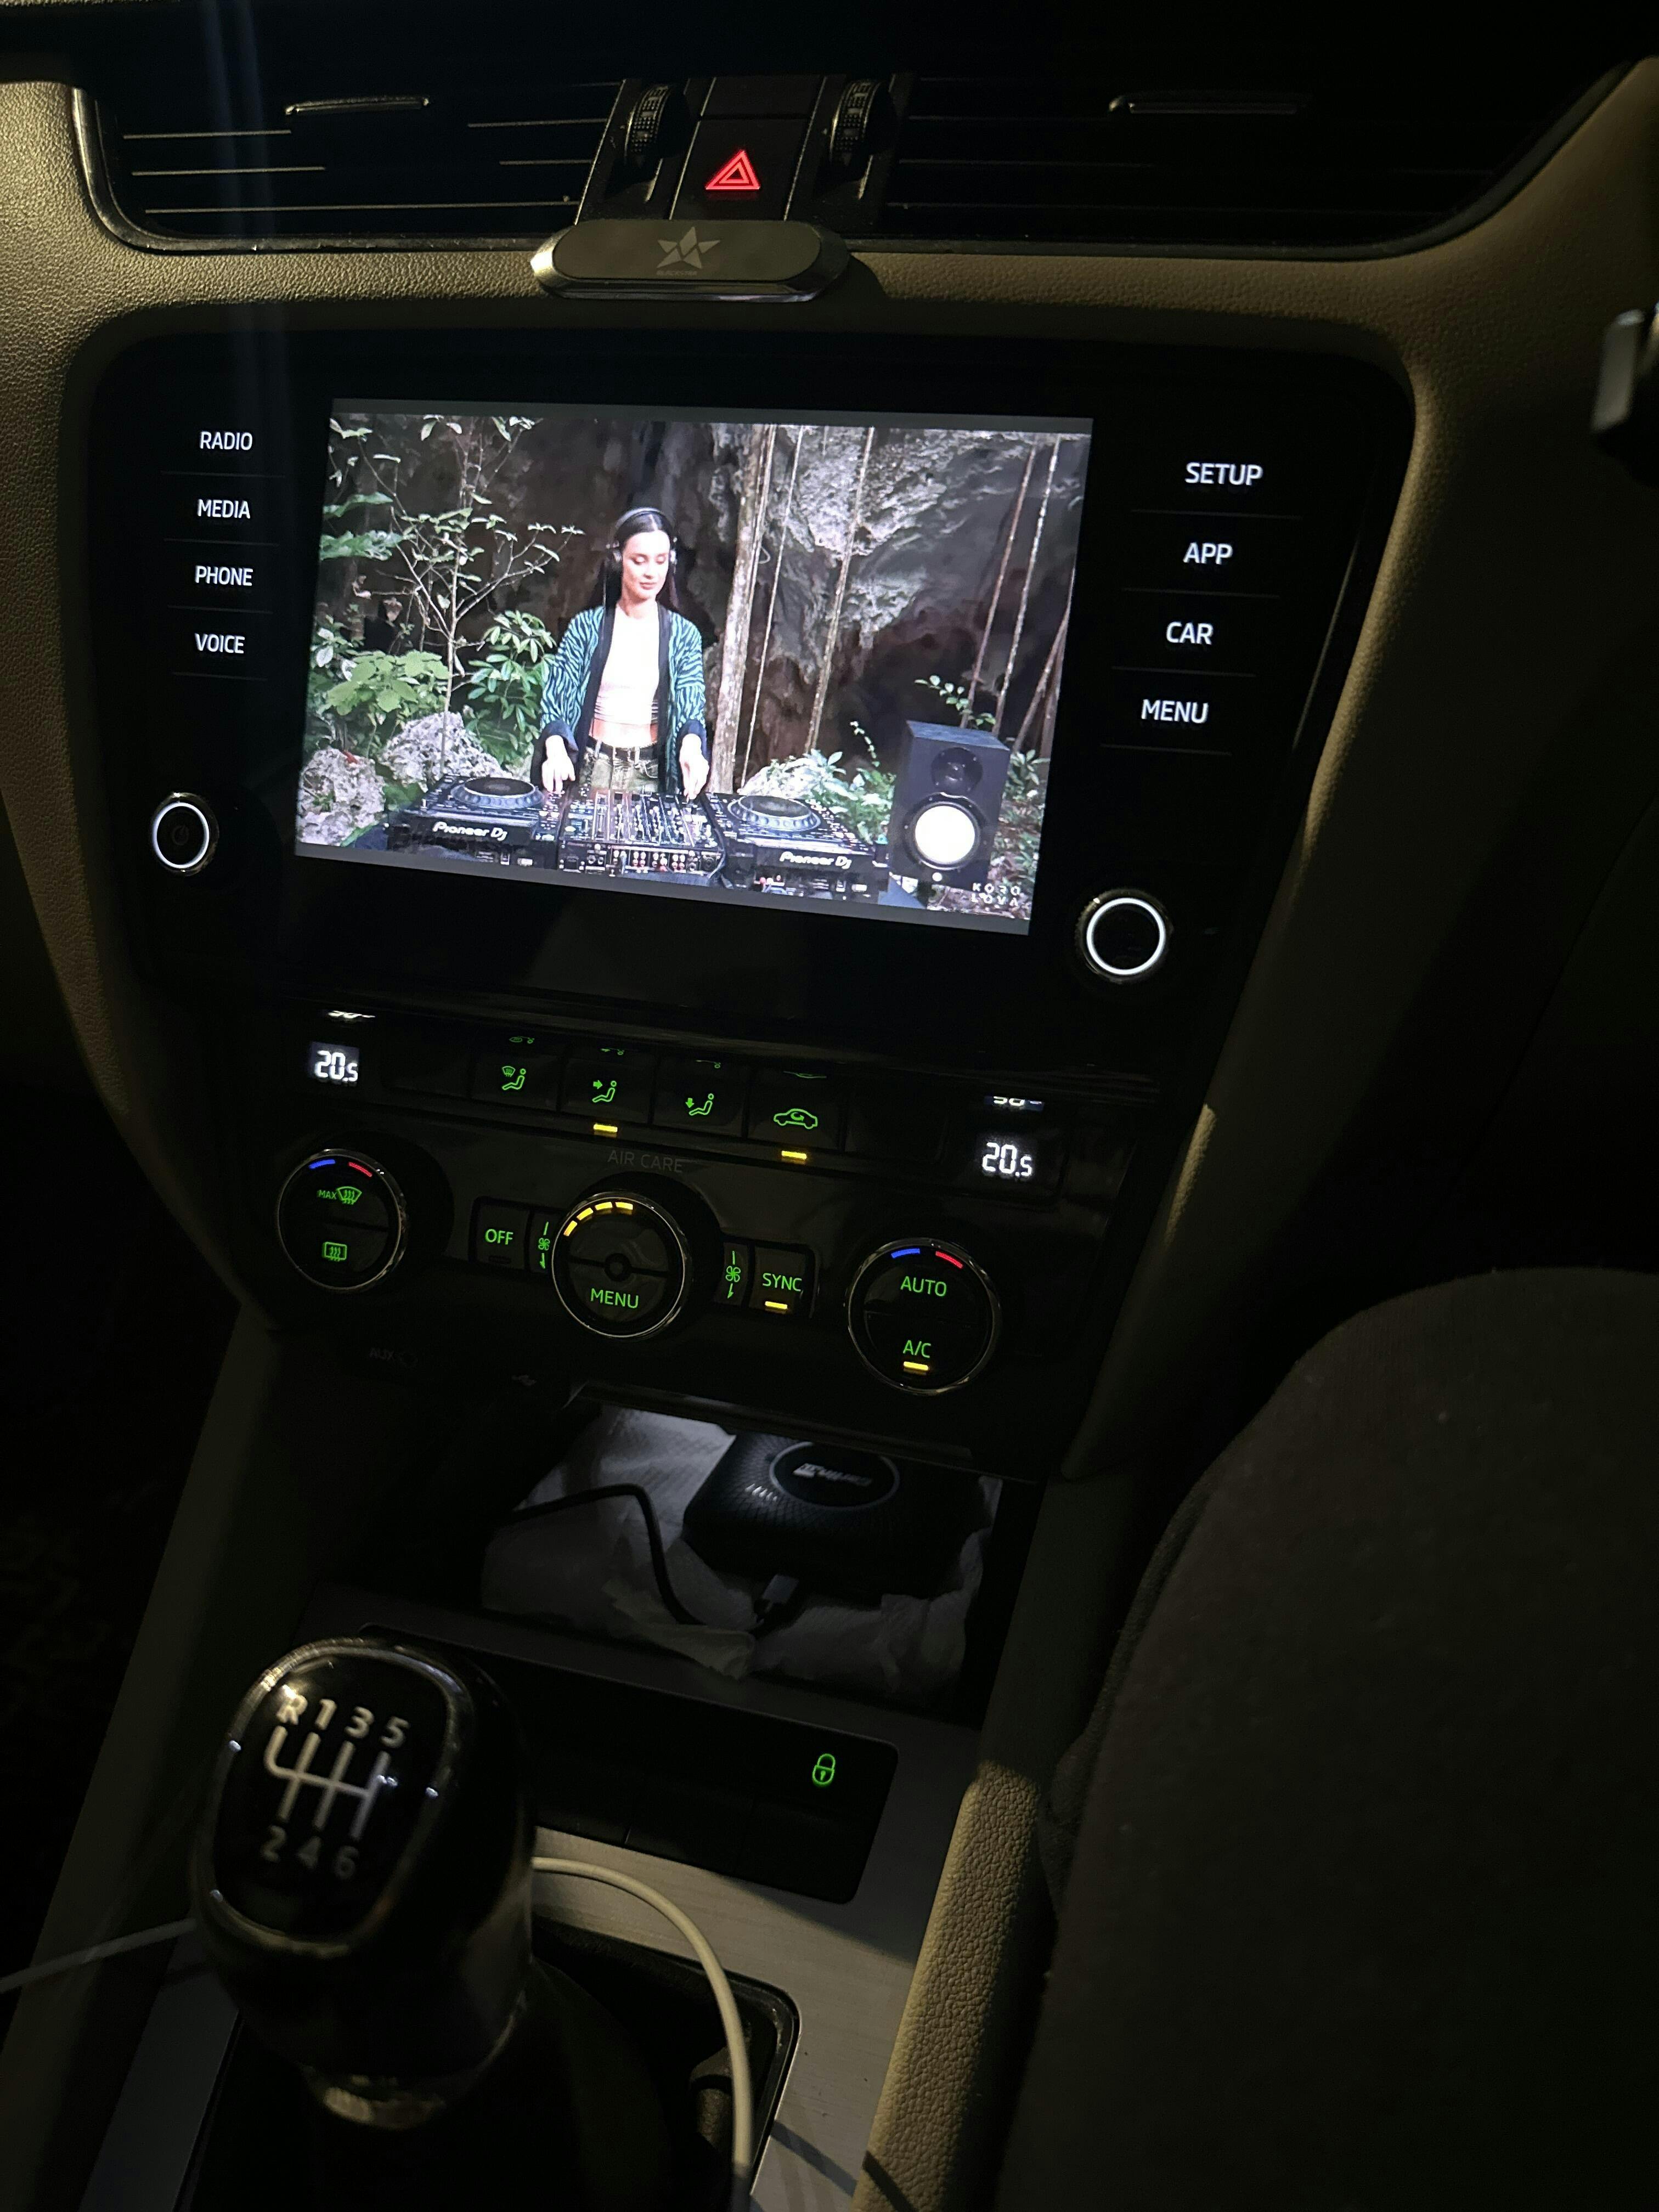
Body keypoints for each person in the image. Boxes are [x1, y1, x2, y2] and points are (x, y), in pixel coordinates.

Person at [529, 507, 710, 802]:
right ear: (618, 559)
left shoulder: (684, 635)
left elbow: (690, 702)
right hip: (591, 766)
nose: (651, 572)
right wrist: (555, 747)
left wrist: (692, 748)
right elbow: (557, 699)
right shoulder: (586, 628)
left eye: (661, 561)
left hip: (649, 772)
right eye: (639, 561)